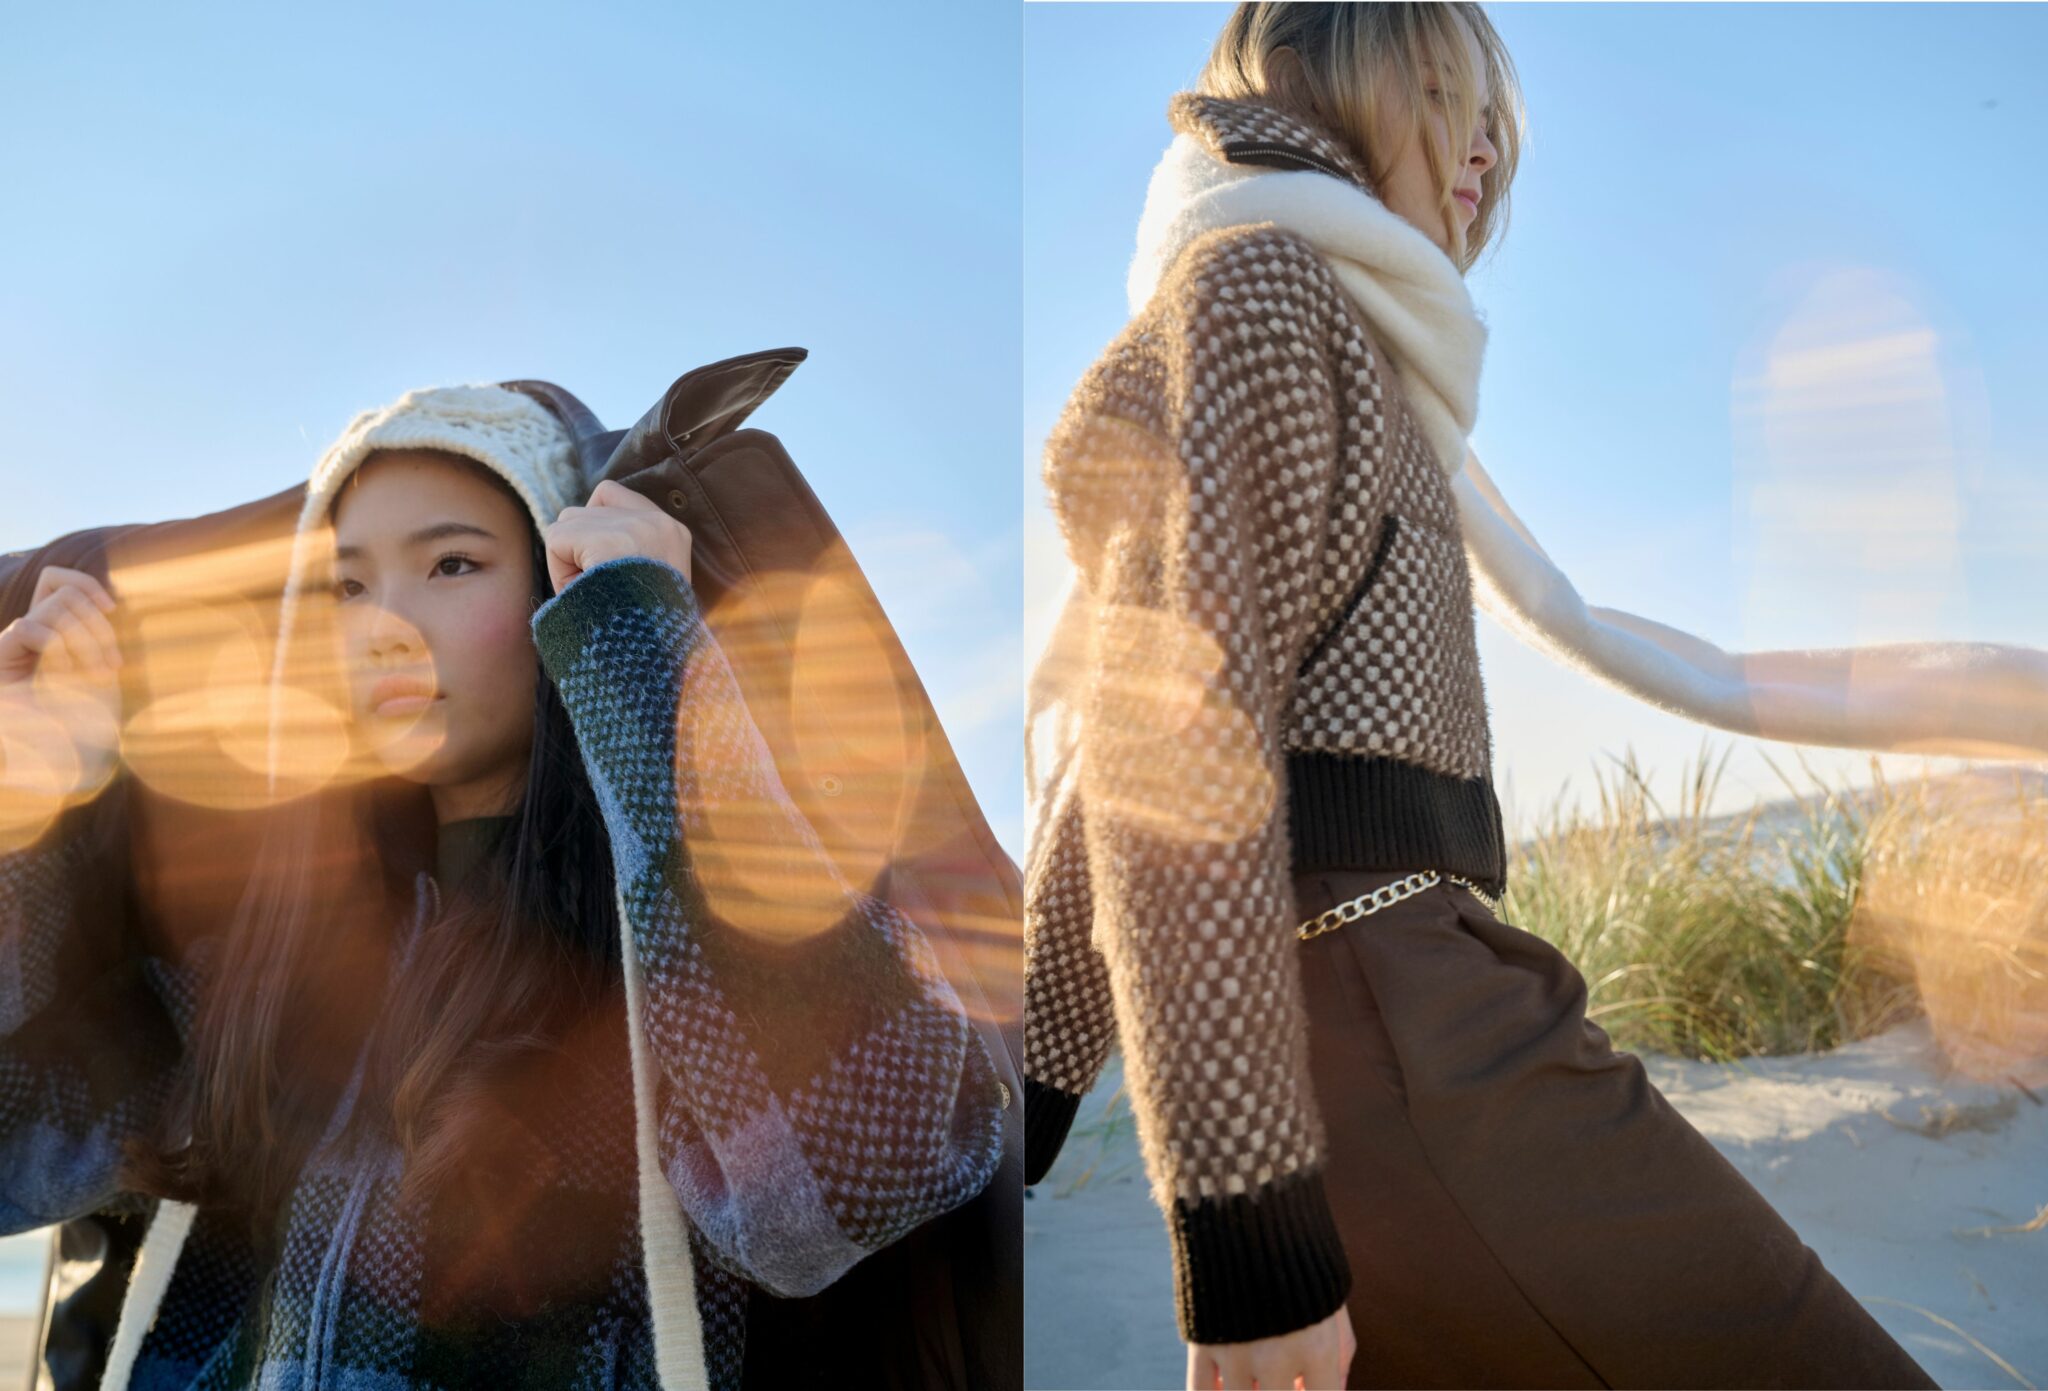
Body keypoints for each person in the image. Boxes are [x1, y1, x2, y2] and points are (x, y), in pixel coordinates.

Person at [1022, 4, 1962, 1388]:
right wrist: (1244, 1226)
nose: (1484, 152)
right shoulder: (1261, 289)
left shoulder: (1326, 318)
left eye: (1494, 124)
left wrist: (1024, 1111)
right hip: (1391, 1025)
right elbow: (1168, 774)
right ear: (1329, 74)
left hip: (1389, 1014)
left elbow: (1109, 753)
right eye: (1449, 95)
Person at [0, 383, 1008, 1389]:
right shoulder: (248, 964)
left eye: (452, 564)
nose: (384, 624)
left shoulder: (657, 968)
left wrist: (646, 654)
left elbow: (848, 1189)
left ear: (557, 584)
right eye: (346, 586)